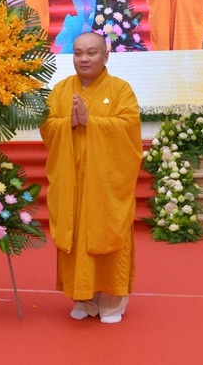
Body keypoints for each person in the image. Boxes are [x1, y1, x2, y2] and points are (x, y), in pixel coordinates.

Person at [40, 32, 142, 324]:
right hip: (72, 182)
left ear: (106, 55)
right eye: (78, 53)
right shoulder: (61, 90)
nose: (83, 59)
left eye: (91, 53)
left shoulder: (121, 90)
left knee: (106, 232)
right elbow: (47, 127)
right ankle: (83, 298)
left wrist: (92, 122)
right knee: (76, 235)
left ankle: (112, 300)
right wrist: (69, 123)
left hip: (105, 184)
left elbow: (129, 128)